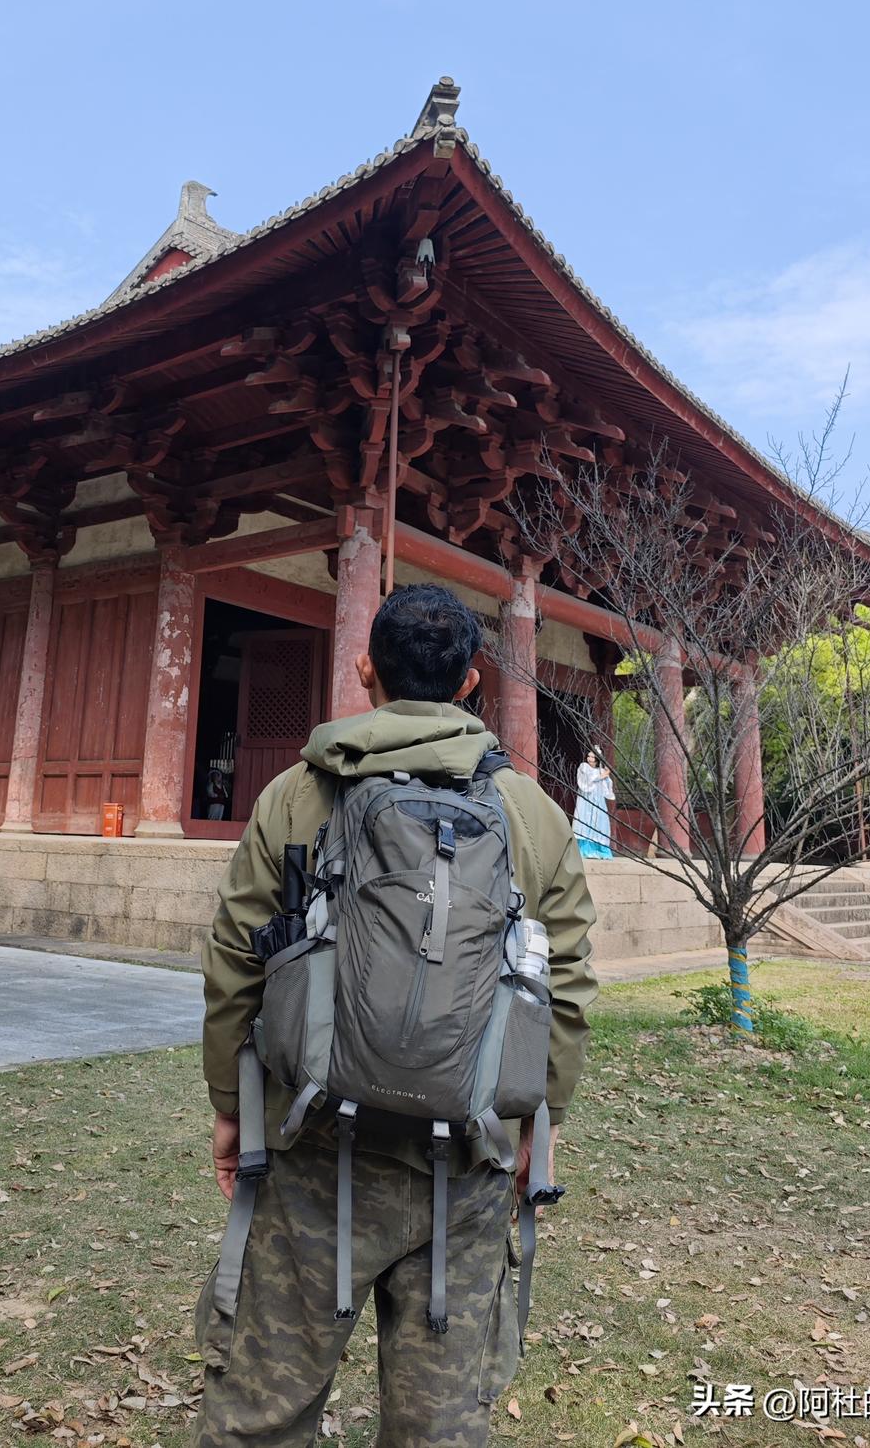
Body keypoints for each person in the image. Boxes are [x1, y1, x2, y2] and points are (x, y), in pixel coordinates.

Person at [196, 583, 597, 1447]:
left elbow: (236, 961)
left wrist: (234, 1110)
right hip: (471, 1162)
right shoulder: (531, 815)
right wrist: (540, 1125)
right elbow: (563, 984)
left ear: (364, 666)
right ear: (471, 683)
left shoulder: (298, 794)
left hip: (313, 1148)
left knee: (261, 1414)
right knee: (439, 1429)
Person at [574, 748, 615, 859]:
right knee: (585, 820)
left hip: (598, 799)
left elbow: (607, 784)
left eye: (592, 757)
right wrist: (603, 775)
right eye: (589, 756)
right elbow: (587, 780)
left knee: (599, 822)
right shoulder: (584, 767)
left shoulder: (600, 770)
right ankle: (585, 849)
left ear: (597, 758)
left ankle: (599, 849)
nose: (590, 759)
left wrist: (606, 774)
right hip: (586, 798)